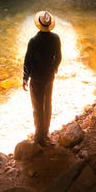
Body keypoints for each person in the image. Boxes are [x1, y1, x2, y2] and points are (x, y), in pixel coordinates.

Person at [23, 10, 61, 146]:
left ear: (38, 24)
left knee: (37, 108)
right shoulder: (56, 38)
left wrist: (25, 78)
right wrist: (54, 68)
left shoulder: (33, 41)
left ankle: (39, 138)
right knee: (48, 104)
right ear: (50, 24)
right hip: (49, 77)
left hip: (37, 79)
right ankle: (45, 132)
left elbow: (27, 62)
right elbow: (58, 57)